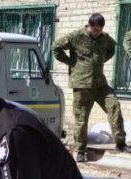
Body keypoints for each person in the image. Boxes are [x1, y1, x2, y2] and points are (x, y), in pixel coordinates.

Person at [52, 13, 131, 162]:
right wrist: (71, 63)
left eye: (99, 30)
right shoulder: (76, 36)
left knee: (114, 105)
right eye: (95, 30)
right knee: (82, 119)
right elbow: (56, 47)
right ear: (89, 26)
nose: (97, 32)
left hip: (100, 84)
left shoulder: (105, 38)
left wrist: (101, 61)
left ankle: (120, 143)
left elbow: (112, 48)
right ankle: (81, 151)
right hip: (82, 85)